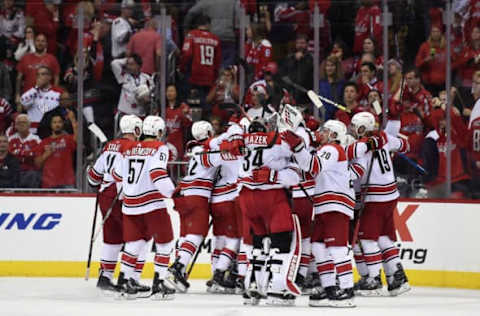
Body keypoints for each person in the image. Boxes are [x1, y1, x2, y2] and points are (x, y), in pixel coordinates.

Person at [283, 120, 356, 307]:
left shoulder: (332, 149)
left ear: (333, 134)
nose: (320, 133)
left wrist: (298, 146)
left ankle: (347, 290)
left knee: (337, 247)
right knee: (317, 246)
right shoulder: (328, 150)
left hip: (335, 204)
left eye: (324, 131)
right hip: (326, 204)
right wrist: (296, 151)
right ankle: (329, 287)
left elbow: (313, 166)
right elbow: (309, 168)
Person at [236, 119, 301, 306]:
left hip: (247, 197)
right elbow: (297, 150)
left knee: (258, 242)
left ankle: (253, 284)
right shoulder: (276, 140)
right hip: (270, 195)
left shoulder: (242, 141)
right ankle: (276, 289)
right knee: (281, 242)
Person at [111, 115, 177, 300]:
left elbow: (116, 174)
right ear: (158, 132)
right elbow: (157, 173)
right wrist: (174, 194)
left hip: (130, 204)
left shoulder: (129, 148)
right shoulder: (159, 148)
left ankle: (124, 282)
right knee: (165, 243)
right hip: (151, 203)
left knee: (135, 244)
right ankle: (159, 283)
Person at [347, 111, 410, 297]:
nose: (352, 130)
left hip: (376, 197)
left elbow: (355, 168)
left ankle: (373, 280)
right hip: (391, 195)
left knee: (366, 239)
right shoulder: (383, 136)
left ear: (361, 128)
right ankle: (396, 277)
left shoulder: (360, 146)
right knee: (384, 237)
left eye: (354, 126)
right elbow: (405, 145)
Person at [87, 114, 152, 295]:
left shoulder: (109, 146)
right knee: (142, 236)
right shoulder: (134, 147)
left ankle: (105, 277)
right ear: (137, 130)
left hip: (105, 196)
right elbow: (123, 174)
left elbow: (93, 177)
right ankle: (130, 278)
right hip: (122, 197)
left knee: (112, 237)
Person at [168, 121, 218, 293]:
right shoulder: (208, 150)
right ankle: (179, 264)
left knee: (185, 235)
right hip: (198, 195)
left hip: (184, 193)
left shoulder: (192, 150)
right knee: (197, 234)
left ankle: (178, 273)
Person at [179, 14, 221, 114]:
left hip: (194, 77)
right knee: (206, 107)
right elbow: (217, 61)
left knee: (191, 107)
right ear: (208, 25)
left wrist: (182, 68)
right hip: (209, 78)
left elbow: (187, 54)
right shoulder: (215, 39)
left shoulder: (192, 35)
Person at [34, 111, 77, 189]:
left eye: (60, 122)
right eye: (54, 122)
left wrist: (73, 120)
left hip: (67, 182)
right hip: (49, 183)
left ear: (63, 124)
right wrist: (45, 155)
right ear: (50, 125)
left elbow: (78, 140)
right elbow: (37, 164)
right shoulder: (44, 142)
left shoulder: (68, 139)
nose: (57, 125)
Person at [15, 33, 60, 103]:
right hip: (28, 98)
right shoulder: (25, 58)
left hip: (46, 98)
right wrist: (17, 95)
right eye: (38, 41)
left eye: (43, 41)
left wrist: (54, 95)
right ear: (34, 42)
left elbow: (56, 78)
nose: (40, 43)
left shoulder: (52, 59)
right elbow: (18, 78)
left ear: (46, 44)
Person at [19, 66, 63, 135]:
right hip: (33, 131)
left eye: (43, 74)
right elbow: (23, 102)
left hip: (51, 131)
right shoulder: (32, 91)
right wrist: (36, 88)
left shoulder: (58, 93)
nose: (40, 76)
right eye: (38, 74)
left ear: (50, 77)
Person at [111, 54, 153, 119]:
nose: (129, 67)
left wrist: (147, 99)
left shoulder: (147, 78)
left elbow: (152, 95)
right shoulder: (123, 76)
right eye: (128, 64)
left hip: (139, 115)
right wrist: (126, 60)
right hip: (125, 114)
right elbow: (114, 63)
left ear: (138, 65)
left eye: (132, 64)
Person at [8, 114, 41, 188]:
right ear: (16, 126)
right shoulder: (11, 139)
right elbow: (10, 156)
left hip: (31, 172)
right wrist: (27, 154)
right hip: (15, 172)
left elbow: (36, 157)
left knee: (33, 175)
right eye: (19, 123)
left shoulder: (36, 139)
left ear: (29, 125)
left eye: (24, 122)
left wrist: (18, 153)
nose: (21, 124)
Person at [280, 33, 313, 104]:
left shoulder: (311, 59)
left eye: (302, 43)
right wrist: (295, 60)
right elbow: (284, 74)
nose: (300, 45)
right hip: (291, 96)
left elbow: (308, 76)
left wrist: (303, 60)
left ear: (307, 44)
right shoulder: (289, 58)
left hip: (306, 96)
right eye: (298, 43)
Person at [415, 24, 447, 96]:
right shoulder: (425, 46)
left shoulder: (446, 46)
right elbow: (417, 64)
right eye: (433, 31)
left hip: (443, 82)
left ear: (441, 33)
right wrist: (426, 60)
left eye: (437, 31)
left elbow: (454, 62)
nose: (435, 34)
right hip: (429, 83)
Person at [165, 84, 192, 161]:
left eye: (172, 91)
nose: (169, 93)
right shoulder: (162, 108)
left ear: (176, 93)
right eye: (168, 91)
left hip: (178, 141)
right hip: (166, 141)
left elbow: (189, 123)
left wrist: (185, 114)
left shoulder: (183, 107)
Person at [319, 55, 346, 120]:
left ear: (336, 67)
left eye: (332, 65)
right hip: (322, 117)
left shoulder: (342, 83)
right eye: (327, 66)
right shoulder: (320, 83)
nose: (329, 68)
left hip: (337, 117)